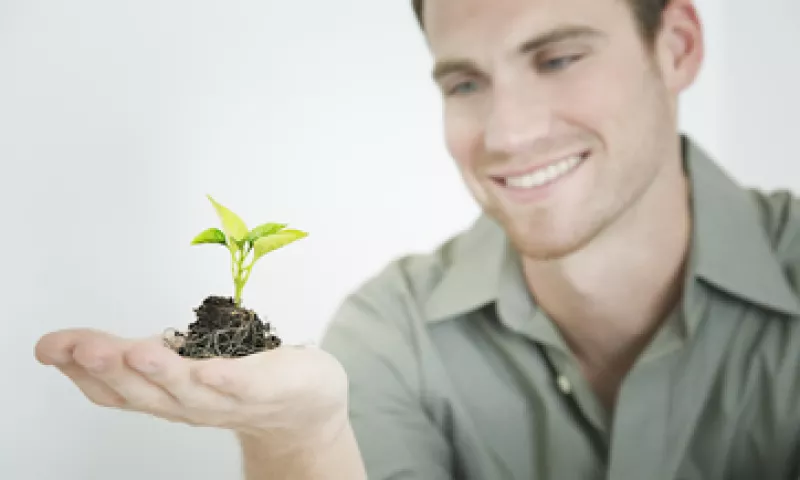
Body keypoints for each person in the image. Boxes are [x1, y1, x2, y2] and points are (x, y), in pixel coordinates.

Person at [34, 0, 800, 478]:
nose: (507, 132)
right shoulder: (389, 331)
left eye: (559, 58)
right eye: (464, 83)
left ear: (677, 47)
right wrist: (302, 439)